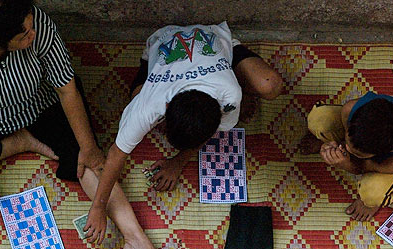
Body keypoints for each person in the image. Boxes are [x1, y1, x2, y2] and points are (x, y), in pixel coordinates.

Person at [0, 0, 169, 249]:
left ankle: (136, 239)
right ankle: (16, 143)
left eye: (30, 25)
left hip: (39, 104)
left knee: (86, 157)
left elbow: (66, 89)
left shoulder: (32, 21)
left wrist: (89, 148)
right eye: (24, 35)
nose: (32, 33)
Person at [86, 22, 282, 238]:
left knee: (271, 85)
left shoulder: (230, 96)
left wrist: (179, 161)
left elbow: (209, 131)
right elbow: (116, 154)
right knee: (135, 104)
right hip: (163, 41)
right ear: (167, 108)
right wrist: (98, 207)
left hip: (212, 41)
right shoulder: (149, 105)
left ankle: (232, 53)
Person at [300, 92, 393, 221]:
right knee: (318, 119)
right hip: (368, 134)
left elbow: (363, 168)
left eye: (357, 153)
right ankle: (331, 139)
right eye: (347, 143)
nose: (346, 148)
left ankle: (370, 204)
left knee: (374, 193)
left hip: (386, 161)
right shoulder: (349, 109)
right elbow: (351, 137)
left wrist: (345, 164)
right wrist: (340, 145)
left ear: (378, 154)